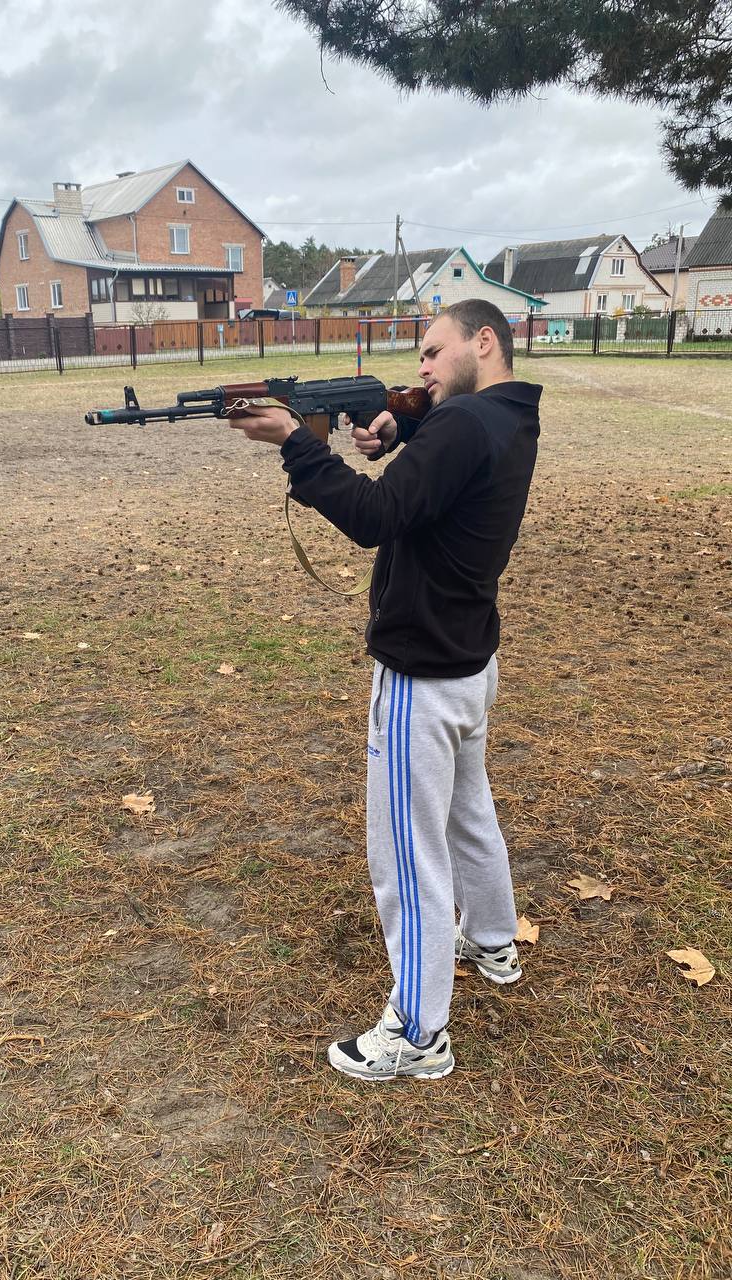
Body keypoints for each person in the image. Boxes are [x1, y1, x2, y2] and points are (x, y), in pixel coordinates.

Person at [226, 299, 541, 1081]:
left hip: (420, 673)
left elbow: (375, 515)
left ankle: (419, 1032)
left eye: (433, 352)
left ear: (483, 341)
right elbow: (441, 475)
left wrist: (297, 443)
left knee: (406, 855)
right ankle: (493, 942)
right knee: (468, 814)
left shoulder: (462, 423)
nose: (422, 368)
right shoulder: (508, 414)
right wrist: (399, 430)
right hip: (467, 659)